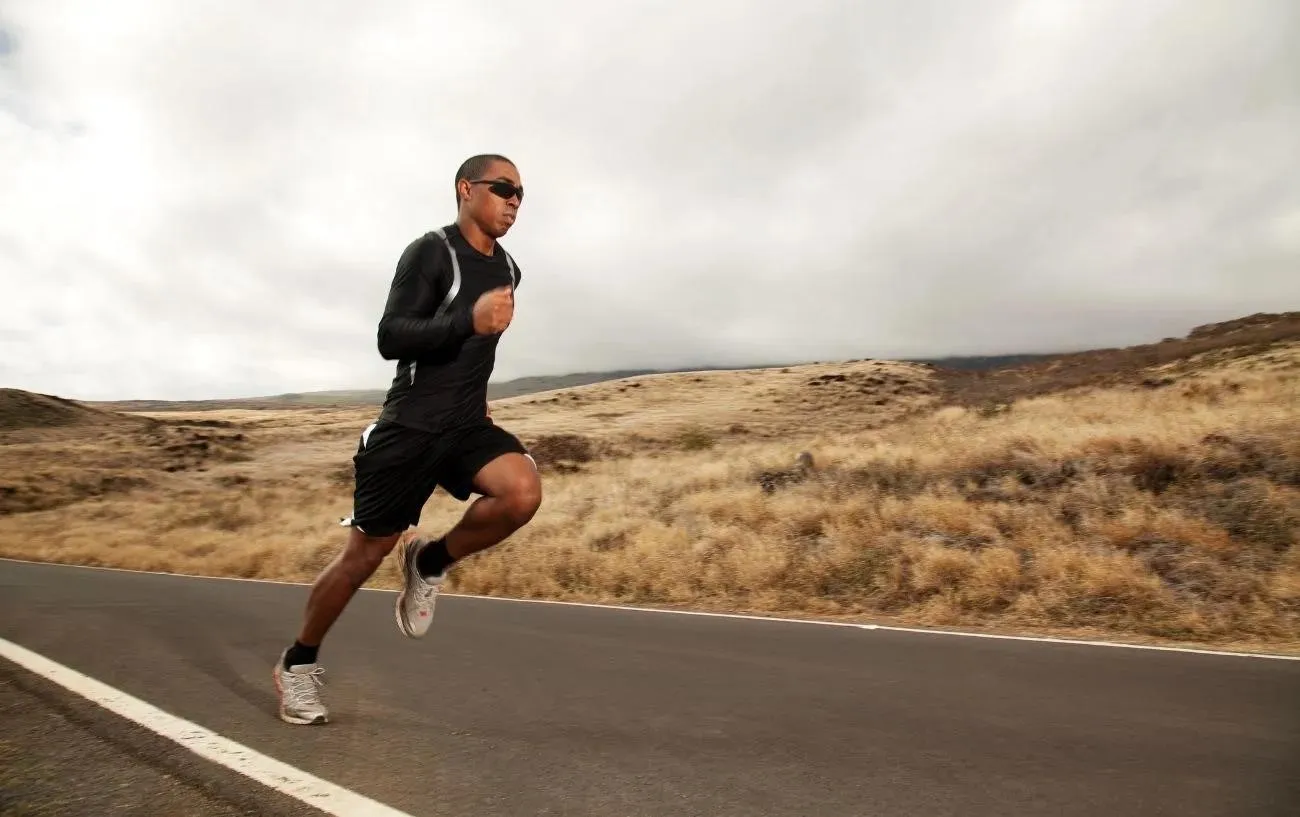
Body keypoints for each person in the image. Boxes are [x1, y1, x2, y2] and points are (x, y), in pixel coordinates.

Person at [273, 154, 543, 725]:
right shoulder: (431, 252)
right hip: (410, 427)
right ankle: (298, 665)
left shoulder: (511, 270)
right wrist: (466, 320)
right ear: (466, 189)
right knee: (363, 557)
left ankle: (431, 561)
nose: (515, 200)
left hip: (466, 424)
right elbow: (391, 336)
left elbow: (481, 352)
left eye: (522, 193)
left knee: (521, 492)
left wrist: (478, 386)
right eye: (504, 189)